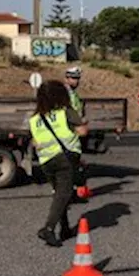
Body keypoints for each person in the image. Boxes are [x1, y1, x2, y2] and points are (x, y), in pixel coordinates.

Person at [29, 80, 88, 247]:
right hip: (65, 159)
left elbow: (35, 141)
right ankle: (48, 229)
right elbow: (82, 132)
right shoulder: (66, 112)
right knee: (64, 193)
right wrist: (84, 122)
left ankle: (65, 228)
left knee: (59, 193)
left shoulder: (36, 118)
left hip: (46, 161)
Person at [63, 65, 91, 201]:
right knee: (70, 165)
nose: (76, 81)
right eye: (73, 78)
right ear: (66, 78)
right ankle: (69, 194)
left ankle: (73, 192)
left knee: (74, 164)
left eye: (78, 78)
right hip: (69, 133)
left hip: (74, 133)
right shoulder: (65, 93)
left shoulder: (73, 93)